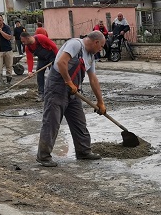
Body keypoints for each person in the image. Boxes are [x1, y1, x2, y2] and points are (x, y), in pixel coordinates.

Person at [35, 31, 108, 167]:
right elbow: (61, 62)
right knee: (52, 122)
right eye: (101, 46)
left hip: (73, 91)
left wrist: (100, 102)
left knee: (79, 122)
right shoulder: (75, 44)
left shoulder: (90, 57)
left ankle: (83, 151)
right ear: (96, 42)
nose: (101, 49)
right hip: (57, 88)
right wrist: (68, 82)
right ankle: (43, 156)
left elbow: (93, 79)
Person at [21, 31, 59, 101]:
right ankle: (41, 94)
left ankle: (57, 92)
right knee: (39, 74)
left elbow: (53, 46)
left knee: (55, 74)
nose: (23, 43)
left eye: (23, 41)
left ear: (28, 38)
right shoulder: (28, 47)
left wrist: (57, 58)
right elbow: (29, 59)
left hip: (52, 56)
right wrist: (30, 71)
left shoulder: (40, 38)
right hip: (42, 59)